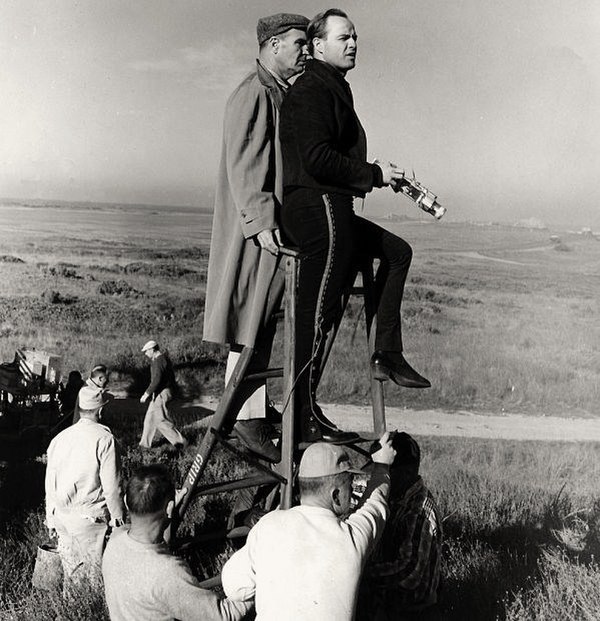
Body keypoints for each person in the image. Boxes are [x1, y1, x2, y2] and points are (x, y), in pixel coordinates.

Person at [279, 9, 431, 443]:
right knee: (317, 312)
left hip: (334, 209)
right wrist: (374, 173)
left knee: (398, 252)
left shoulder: (330, 87)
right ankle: (302, 417)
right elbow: (317, 159)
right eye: (343, 37)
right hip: (318, 210)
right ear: (318, 45)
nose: (353, 44)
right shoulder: (312, 88)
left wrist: (377, 174)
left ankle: (386, 353)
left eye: (355, 37)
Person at [203, 13, 309, 462]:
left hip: (265, 228)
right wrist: (262, 223)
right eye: (298, 44)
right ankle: (246, 419)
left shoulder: (277, 92)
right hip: (255, 233)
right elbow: (245, 165)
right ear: (272, 45)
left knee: (258, 321)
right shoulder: (253, 93)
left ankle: (249, 416)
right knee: (250, 320)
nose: (305, 51)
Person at [221, 431, 396, 620]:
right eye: (349, 484)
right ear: (335, 495)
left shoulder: (267, 525)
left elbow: (234, 587)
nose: (353, 489)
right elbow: (375, 504)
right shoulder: (352, 539)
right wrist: (382, 465)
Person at [103, 464, 250, 621]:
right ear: (169, 508)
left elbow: (150, 553)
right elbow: (223, 616)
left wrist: (168, 512)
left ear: (126, 501)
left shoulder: (115, 541)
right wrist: (261, 577)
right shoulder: (168, 573)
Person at [45, 387, 124, 590]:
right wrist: (117, 519)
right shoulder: (104, 439)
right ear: (100, 411)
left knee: (70, 575)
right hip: (88, 520)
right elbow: (112, 487)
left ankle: (66, 613)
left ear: (79, 409)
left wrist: (51, 518)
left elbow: (49, 482)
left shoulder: (59, 439)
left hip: (61, 516)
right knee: (92, 580)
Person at [357, 433, 443, 620]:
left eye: (382, 474)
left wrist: (358, 573)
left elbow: (409, 573)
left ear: (404, 474)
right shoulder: (395, 494)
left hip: (410, 610)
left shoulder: (420, 510)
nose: (375, 479)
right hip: (384, 599)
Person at [139, 340, 187, 449]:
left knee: (161, 420)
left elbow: (157, 380)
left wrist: (146, 393)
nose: (146, 354)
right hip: (160, 392)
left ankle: (180, 443)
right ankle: (144, 445)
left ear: (152, 350)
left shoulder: (158, 361)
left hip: (161, 393)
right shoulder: (162, 359)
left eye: (146, 351)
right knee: (150, 419)